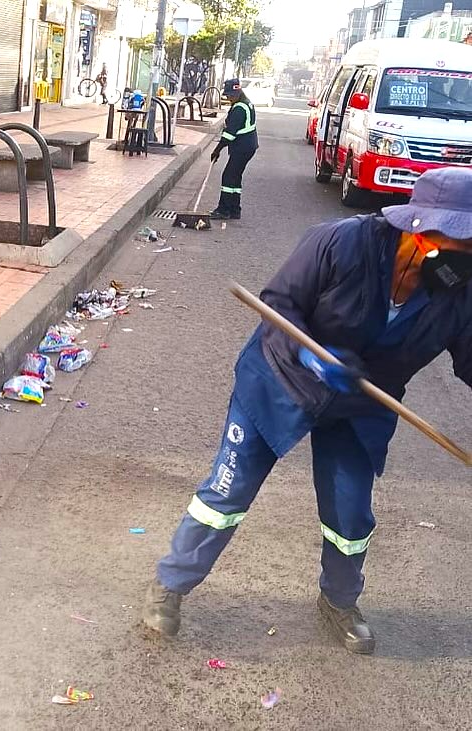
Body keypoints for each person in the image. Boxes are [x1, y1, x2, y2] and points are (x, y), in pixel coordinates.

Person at [143, 167, 472, 655]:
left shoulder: (458, 293)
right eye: (462, 244)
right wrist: (313, 356)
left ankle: (339, 602)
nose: (467, 258)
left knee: (350, 514)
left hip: (361, 403)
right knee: (226, 495)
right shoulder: (341, 243)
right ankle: (170, 584)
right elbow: (280, 304)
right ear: (421, 231)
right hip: (280, 381)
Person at [209, 78, 258, 221]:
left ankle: (224, 210)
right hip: (247, 146)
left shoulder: (239, 108)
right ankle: (235, 209)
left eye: (230, 95)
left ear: (237, 92)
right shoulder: (245, 103)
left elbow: (229, 134)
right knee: (235, 177)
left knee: (228, 176)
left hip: (242, 147)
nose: (228, 98)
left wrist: (217, 150)